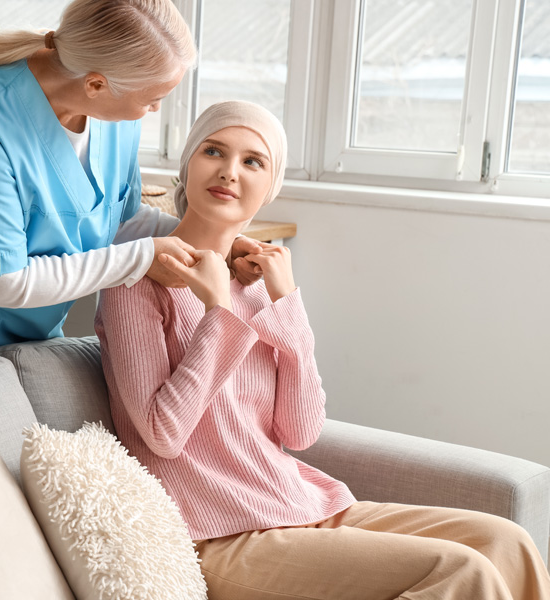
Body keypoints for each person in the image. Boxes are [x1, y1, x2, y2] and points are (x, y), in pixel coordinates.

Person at [95, 100, 550, 599]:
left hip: (296, 505)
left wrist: (288, 306)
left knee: (508, 542)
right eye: (214, 151)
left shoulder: (258, 282)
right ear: (188, 164)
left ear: (271, 188)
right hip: (216, 534)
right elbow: (163, 434)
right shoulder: (137, 283)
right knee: (461, 569)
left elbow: (300, 429)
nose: (229, 171)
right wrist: (216, 312)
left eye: (253, 161)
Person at [0, 0, 264, 375]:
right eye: (153, 99)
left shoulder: (116, 117)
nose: (156, 110)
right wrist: (141, 259)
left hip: (34, 325)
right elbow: (4, 281)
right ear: (95, 84)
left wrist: (217, 245)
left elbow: (116, 219)